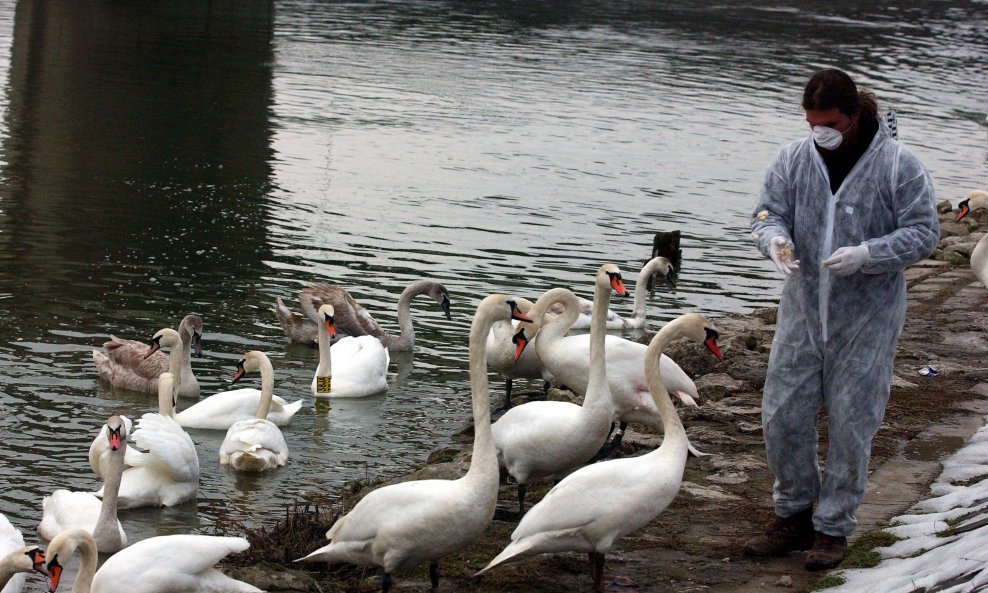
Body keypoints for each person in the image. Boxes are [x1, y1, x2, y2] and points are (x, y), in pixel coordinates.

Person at [746, 68, 940, 571]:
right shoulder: (794, 159)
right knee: (782, 414)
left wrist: (870, 254)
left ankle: (833, 528)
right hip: (803, 311)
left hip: (867, 318)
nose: (820, 132)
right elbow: (767, 212)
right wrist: (775, 241)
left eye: (829, 122)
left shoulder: (900, 168)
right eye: (811, 122)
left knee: (853, 423)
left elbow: (924, 233)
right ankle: (792, 516)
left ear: (854, 115)